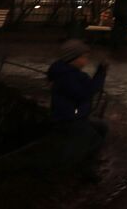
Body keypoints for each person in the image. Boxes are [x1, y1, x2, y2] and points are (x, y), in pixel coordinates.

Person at [46, 39, 108, 172]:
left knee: (101, 127)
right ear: (72, 59)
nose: (86, 60)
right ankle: (82, 167)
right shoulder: (67, 77)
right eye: (84, 57)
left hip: (76, 115)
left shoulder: (70, 73)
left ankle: (88, 159)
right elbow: (86, 92)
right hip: (69, 119)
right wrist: (100, 74)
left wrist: (99, 73)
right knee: (94, 139)